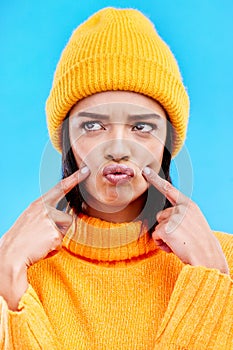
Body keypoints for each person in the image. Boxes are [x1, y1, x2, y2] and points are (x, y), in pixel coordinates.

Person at [0, 7, 232, 350]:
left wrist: (212, 279)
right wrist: (10, 285)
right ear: (66, 142)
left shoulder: (224, 260)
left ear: (167, 141)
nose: (118, 149)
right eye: (93, 126)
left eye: (142, 127)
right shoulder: (15, 267)